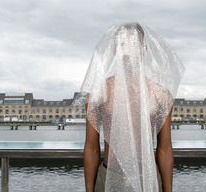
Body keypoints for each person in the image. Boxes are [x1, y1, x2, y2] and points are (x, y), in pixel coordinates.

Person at [78, 21, 185, 192]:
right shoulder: (99, 93)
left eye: (133, 44)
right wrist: (89, 190)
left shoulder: (161, 95)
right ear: (114, 50)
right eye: (121, 45)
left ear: (144, 49)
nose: (127, 52)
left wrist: (168, 189)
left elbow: (164, 148)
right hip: (109, 177)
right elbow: (91, 147)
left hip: (148, 178)